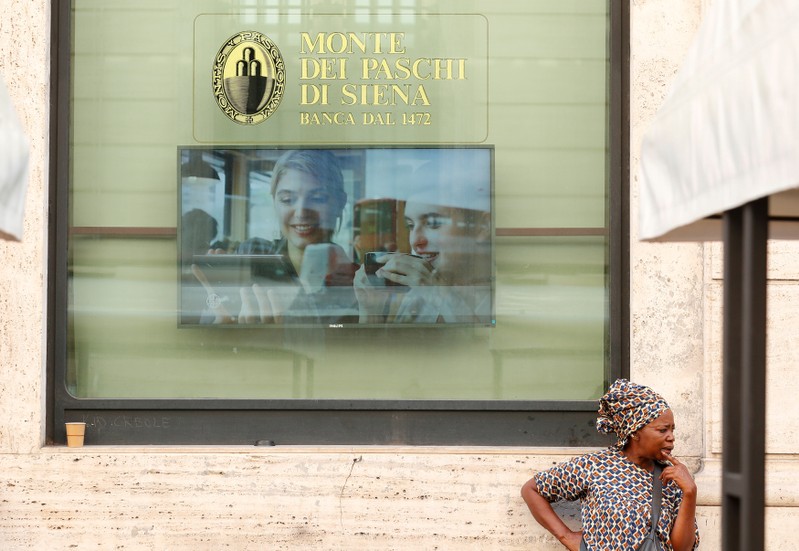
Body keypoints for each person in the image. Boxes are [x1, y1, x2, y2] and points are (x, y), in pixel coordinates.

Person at [521, 379, 699, 551]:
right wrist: (566, 536)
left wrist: (690, 492)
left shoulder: (672, 479)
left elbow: (681, 548)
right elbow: (532, 490)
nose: (671, 437)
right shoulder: (595, 466)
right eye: (663, 430)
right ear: (634, 431)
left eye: (672, 429)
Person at [193, 149, 357, 324]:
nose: (301, 212)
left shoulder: (357, 280)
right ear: (275, 203)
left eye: (318, 198)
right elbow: (213, 315)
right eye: (287, 199)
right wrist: (213, 305)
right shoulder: (253, 254)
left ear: (340, 202)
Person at [353, 160, 492, 324]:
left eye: (433, 223)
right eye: (411, 225)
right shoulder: (417, 297)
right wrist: (371, 312)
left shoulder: (501, 299)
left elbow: (481, 346)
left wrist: (439, 294)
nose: (415, 241)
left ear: (482, 227)